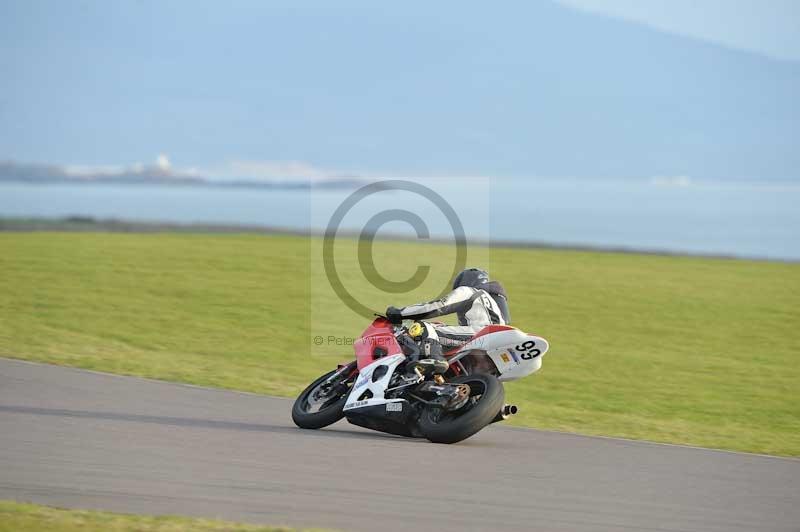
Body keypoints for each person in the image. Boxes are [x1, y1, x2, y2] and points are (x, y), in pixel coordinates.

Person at [386, 268, 511, 374]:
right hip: (497, 344)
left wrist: (400, 313)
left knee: (423, 327)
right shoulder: (493, 304)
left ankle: (436, 358)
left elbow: (437, 306)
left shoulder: (470, 291)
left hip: (482, 335)